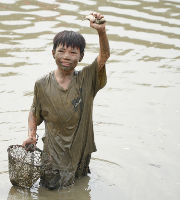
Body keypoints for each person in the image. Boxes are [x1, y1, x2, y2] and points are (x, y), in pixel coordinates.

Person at [22, 12, 110, 190]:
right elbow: (34, 111)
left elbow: (104, 56)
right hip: (52, 154)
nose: (67, 56)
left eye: (73, 52)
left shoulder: (87, 79)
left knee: (77, 188)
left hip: (80, 153)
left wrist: (101, 32)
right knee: (50, 190)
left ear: (81, 56)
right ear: (53, 53)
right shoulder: (42, 84)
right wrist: (32, 135)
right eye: (61, 51)